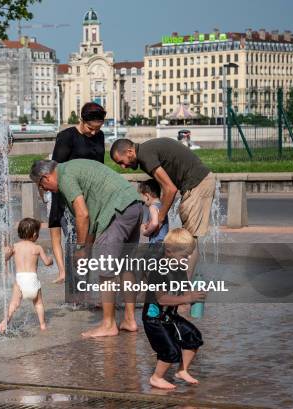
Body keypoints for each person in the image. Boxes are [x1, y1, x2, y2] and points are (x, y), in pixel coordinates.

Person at [30, 159, 142, 337]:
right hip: (133, 205)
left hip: (116, 211)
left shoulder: (65, 176)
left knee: (106, 269)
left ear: (45, 177)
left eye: (42, 186)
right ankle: (129, 319)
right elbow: (89, 220)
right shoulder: (74, 168)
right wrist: (88, 248)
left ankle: (108, 324)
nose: (46, 190)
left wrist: (81, 248)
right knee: (125, 267)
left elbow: (82, 214)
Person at [110, 138, 215, 280]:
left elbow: (170, 189)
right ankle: (181, 285)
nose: (122, 166)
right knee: (187, 239)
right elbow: (167, 188)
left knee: (188, 240)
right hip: (195, 184)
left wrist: (159, 220)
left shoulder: (145, 156)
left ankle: (183, 290)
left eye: (122, 161)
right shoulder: (146, 151)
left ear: (130, 151)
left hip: (197, 184)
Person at [48, 102, 106, 284]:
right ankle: (66, 272)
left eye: (98, 128)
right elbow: (55, 167)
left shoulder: (100, 136)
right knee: (67, 231)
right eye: (91, 128)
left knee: (88, 233)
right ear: (82, 120)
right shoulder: (66, 137)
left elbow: (100, 166)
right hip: (67, 192)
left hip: (90, 193)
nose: (94, 133)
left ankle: (81, 274)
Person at [143, 228, 205, 389]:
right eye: (185, 255)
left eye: (189, 254)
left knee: (193, 336)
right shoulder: (158, 271)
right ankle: (156, 377)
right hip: (154, 319)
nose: (189, 258)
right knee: (170, 351)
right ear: (169, 252)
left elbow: (184, 292)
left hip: (169, 317)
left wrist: (194, 297)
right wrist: (187, 298)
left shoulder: (179, 270)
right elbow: (162, 299)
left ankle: (182, 370)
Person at [0, 218, 53, 334]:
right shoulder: (37, 248)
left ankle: (5, 321)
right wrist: (51, 260)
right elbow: (47, 263)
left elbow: (5, 259)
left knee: (14, 304)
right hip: (32, 279)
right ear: (34, 234)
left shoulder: (15, 247)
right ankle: (42, 325)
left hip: (20, 280)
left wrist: (8, 252)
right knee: (38, 303)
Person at [138, 179, 169, 244]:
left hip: (156, 241)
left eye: (142, 197)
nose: (143, 200)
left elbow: (155, 223)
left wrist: (146, 232)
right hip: (164, 240)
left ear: (147, 196)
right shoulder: (162, 206)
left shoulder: (152, 207)